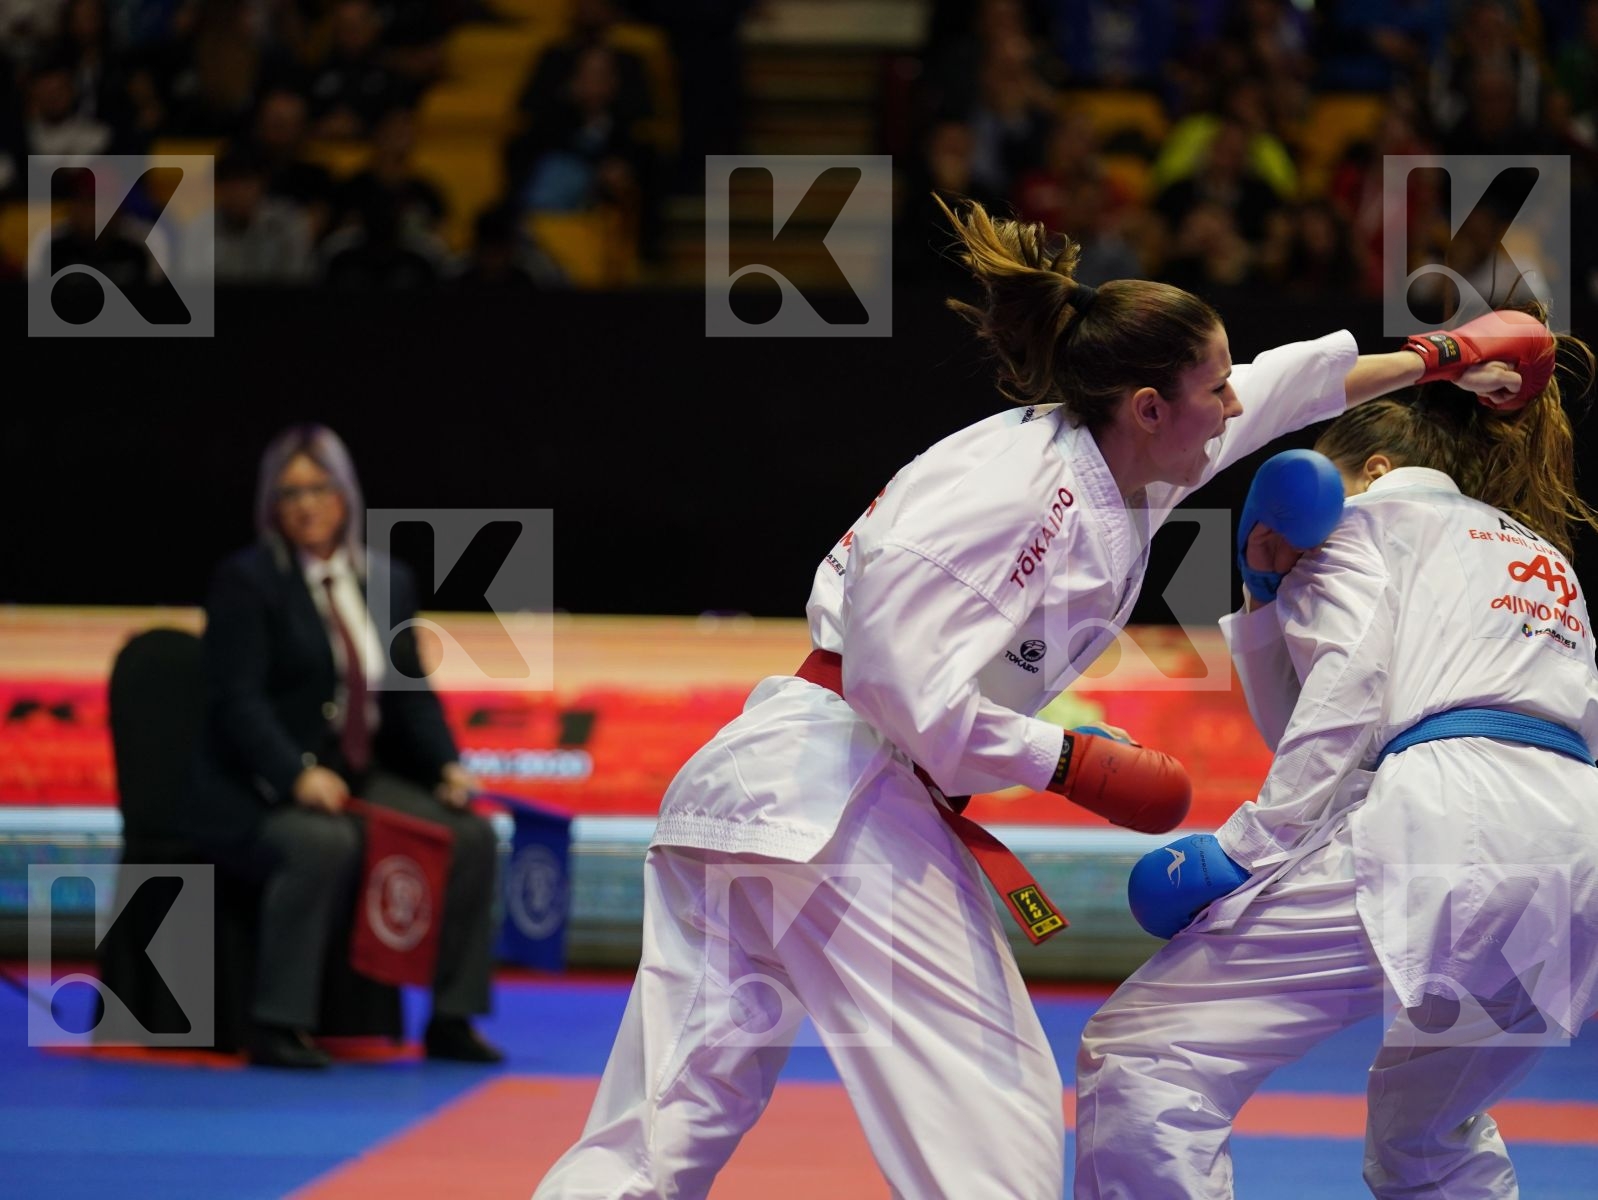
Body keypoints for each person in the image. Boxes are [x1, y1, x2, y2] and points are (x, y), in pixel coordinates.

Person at [532, 198, 1537, 1199]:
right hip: (839, 801)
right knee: (992, 1126)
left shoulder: (1123, 466)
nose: (1232, 408)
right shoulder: (1021, 491)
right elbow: (894, 683)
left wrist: (1443, 356)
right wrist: (1066, 759)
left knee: (661, 1131)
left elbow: (1284, 388)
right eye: (1212, 390)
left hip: (767, 800)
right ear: (1149, 406)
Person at [1076, 328, 1598, 1197]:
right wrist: (1263, 599)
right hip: (1578, 853)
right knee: (1429, 1138)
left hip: (1448, 818)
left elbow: (1347, 691)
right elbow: (1365, 729)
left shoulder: (1361, 516)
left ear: (1379, 469)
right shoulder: (1544, 559)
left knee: (1149, 1052)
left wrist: (1249, 847)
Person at [187, 424, 503, 1069]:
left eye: (317, 488)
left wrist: (448, 765)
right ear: (271, 505)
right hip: (260, 789)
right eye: (289, 492)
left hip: (357, 775)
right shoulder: (247, 582)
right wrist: (296, 774)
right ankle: (277, 1024)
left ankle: (451, 1017)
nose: (304, 504)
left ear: (345, 497)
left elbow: (410, 696)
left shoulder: (387, 581)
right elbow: (237, 704)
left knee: (470, 836)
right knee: (325, 842)